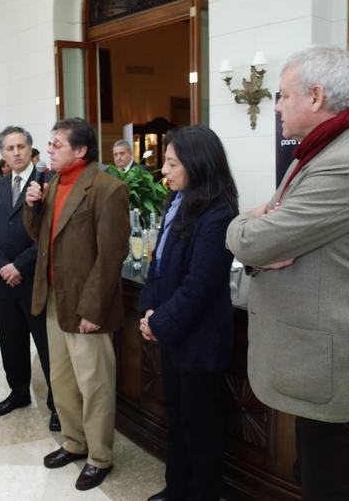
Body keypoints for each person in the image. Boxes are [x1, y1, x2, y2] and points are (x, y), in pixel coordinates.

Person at [225, 45, 349, 501]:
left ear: (316, 96)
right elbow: (271, 234)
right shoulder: (324, 150)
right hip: (317, 361)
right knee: (314, 473)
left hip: (335, 365)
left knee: (334, 485)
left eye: (284, 95)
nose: (277, 106)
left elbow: (255, 241)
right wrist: (265, 228)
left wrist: (244, 223)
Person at [24, 117, 129, 491]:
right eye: (50, 142)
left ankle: (99, 456)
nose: (49, 149)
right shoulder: (52, 184)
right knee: (62, 379)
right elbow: (39, 237)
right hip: (55, 297)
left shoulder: (107, 189)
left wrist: (93, 309)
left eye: (57, 143)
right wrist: (32, 207)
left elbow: (111, 256)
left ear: (81, 150)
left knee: (94, 384)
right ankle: (73, 442)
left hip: (86, 304)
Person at [139, 126, 238, 501]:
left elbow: (199, 286)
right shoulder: (176, 201)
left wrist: (158, 322)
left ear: (197, 164)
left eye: (171, 163)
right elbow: (158, 264)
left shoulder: (218, 213)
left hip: (199, 340)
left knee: (200, 428)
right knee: (176, 418)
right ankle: (176, 488)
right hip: (173, 334)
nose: (164, 170)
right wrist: (149, 310)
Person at [0, 126, 60, 432]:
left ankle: (58, 404)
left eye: (21, 147)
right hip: (5, 281)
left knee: (47, 346)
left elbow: (49, 234)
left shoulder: (48, 183)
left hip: (35, 278)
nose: (16, 153)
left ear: (30, 149)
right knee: (11, 341)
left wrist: (19, 266)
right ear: (2, 153)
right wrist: (3, 266)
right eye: (9, 148)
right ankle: (19, 392)